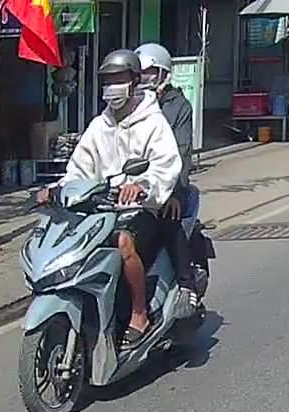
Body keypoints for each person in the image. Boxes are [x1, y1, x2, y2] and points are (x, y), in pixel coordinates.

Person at [37, 49, 182, 349]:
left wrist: (142, 185)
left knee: (124, 242)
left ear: (134, 81)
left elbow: (166, 165)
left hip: (143, 209)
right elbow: (78, 169)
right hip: (100, 209)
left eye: (119, 79)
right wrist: (55, 189)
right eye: (108, 81)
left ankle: (139, 315)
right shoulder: (98, 126)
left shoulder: (153, 122)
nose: (112, 87)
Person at [135, 42, 199, 319]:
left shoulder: (178, 106)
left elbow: (182, 153)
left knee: (167, 220)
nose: (144, 79)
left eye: (150, 73)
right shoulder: (132, 105)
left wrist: (171, 192)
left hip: (171, 185)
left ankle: (187, 286)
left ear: (163, 74)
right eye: (140, 74)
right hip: (135, 184)